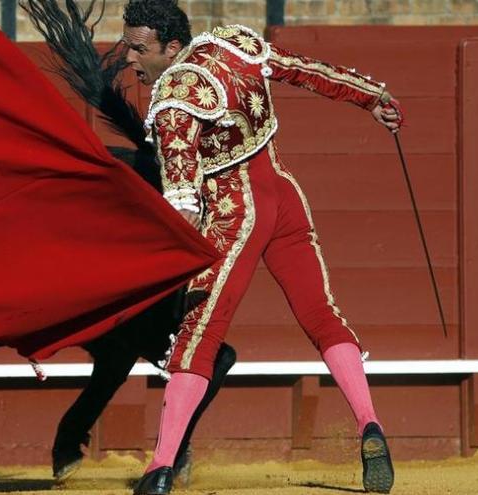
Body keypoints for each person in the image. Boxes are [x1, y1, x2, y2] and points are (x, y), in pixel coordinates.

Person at [119, 1, 403, 494]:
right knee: (321, 314)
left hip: (233, 211)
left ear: (170, 48)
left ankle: (159, 468)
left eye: (138, 49)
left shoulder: (172, 100)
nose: (129, 59)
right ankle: (369, 424)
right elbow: (303, 70)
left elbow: (184, 202)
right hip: (284, 193)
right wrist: (370, 96)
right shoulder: (233, 44)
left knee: (198, 336)